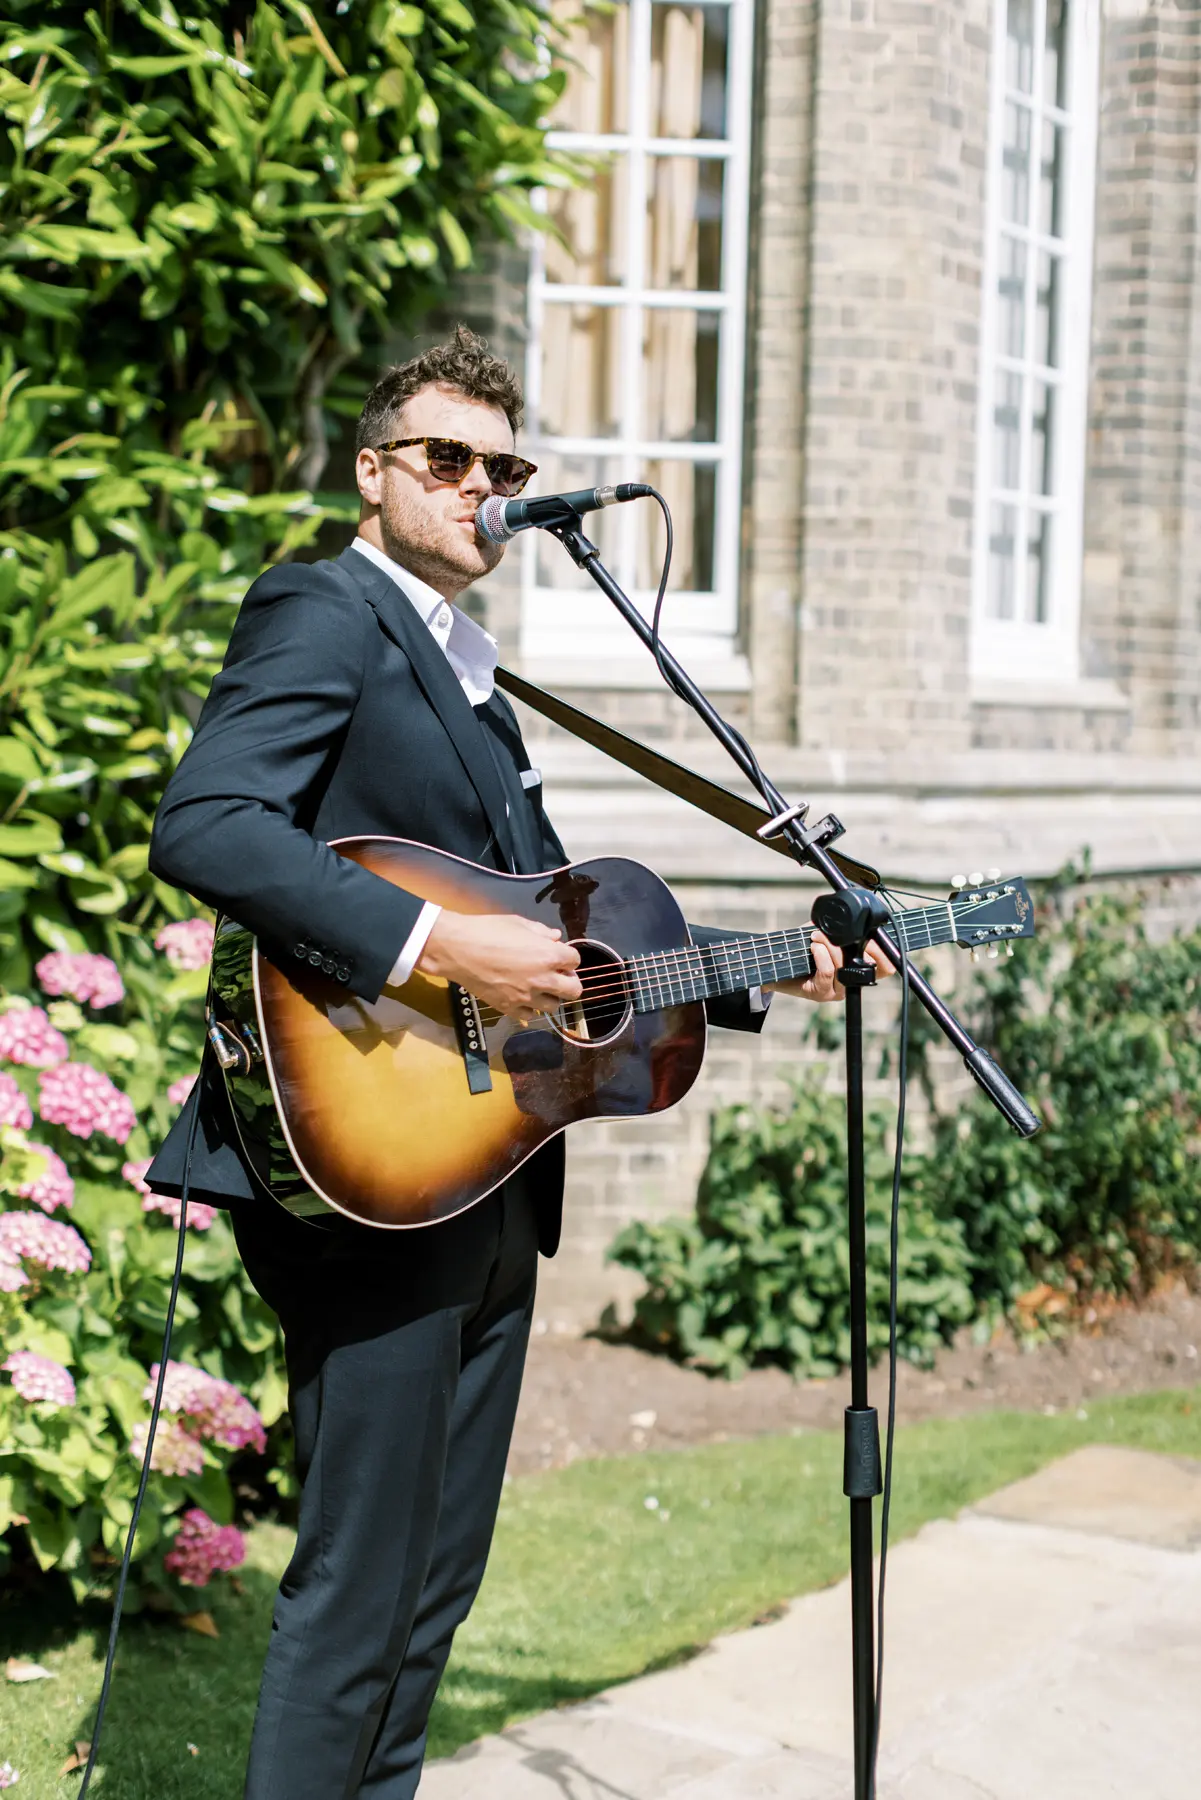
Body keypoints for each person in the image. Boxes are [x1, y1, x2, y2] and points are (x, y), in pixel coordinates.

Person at [146, 326, 884, 1799]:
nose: (482, 487)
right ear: (375, 473)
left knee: (433, 1594)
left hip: (482, 1175)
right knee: (361, 1595)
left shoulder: (479, 681)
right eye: (448, 461)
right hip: (367, 1157)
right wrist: (436, 948)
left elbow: (565, 934)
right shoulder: (326, 609)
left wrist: (767, 966)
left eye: (505, 467)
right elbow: (211, 826)